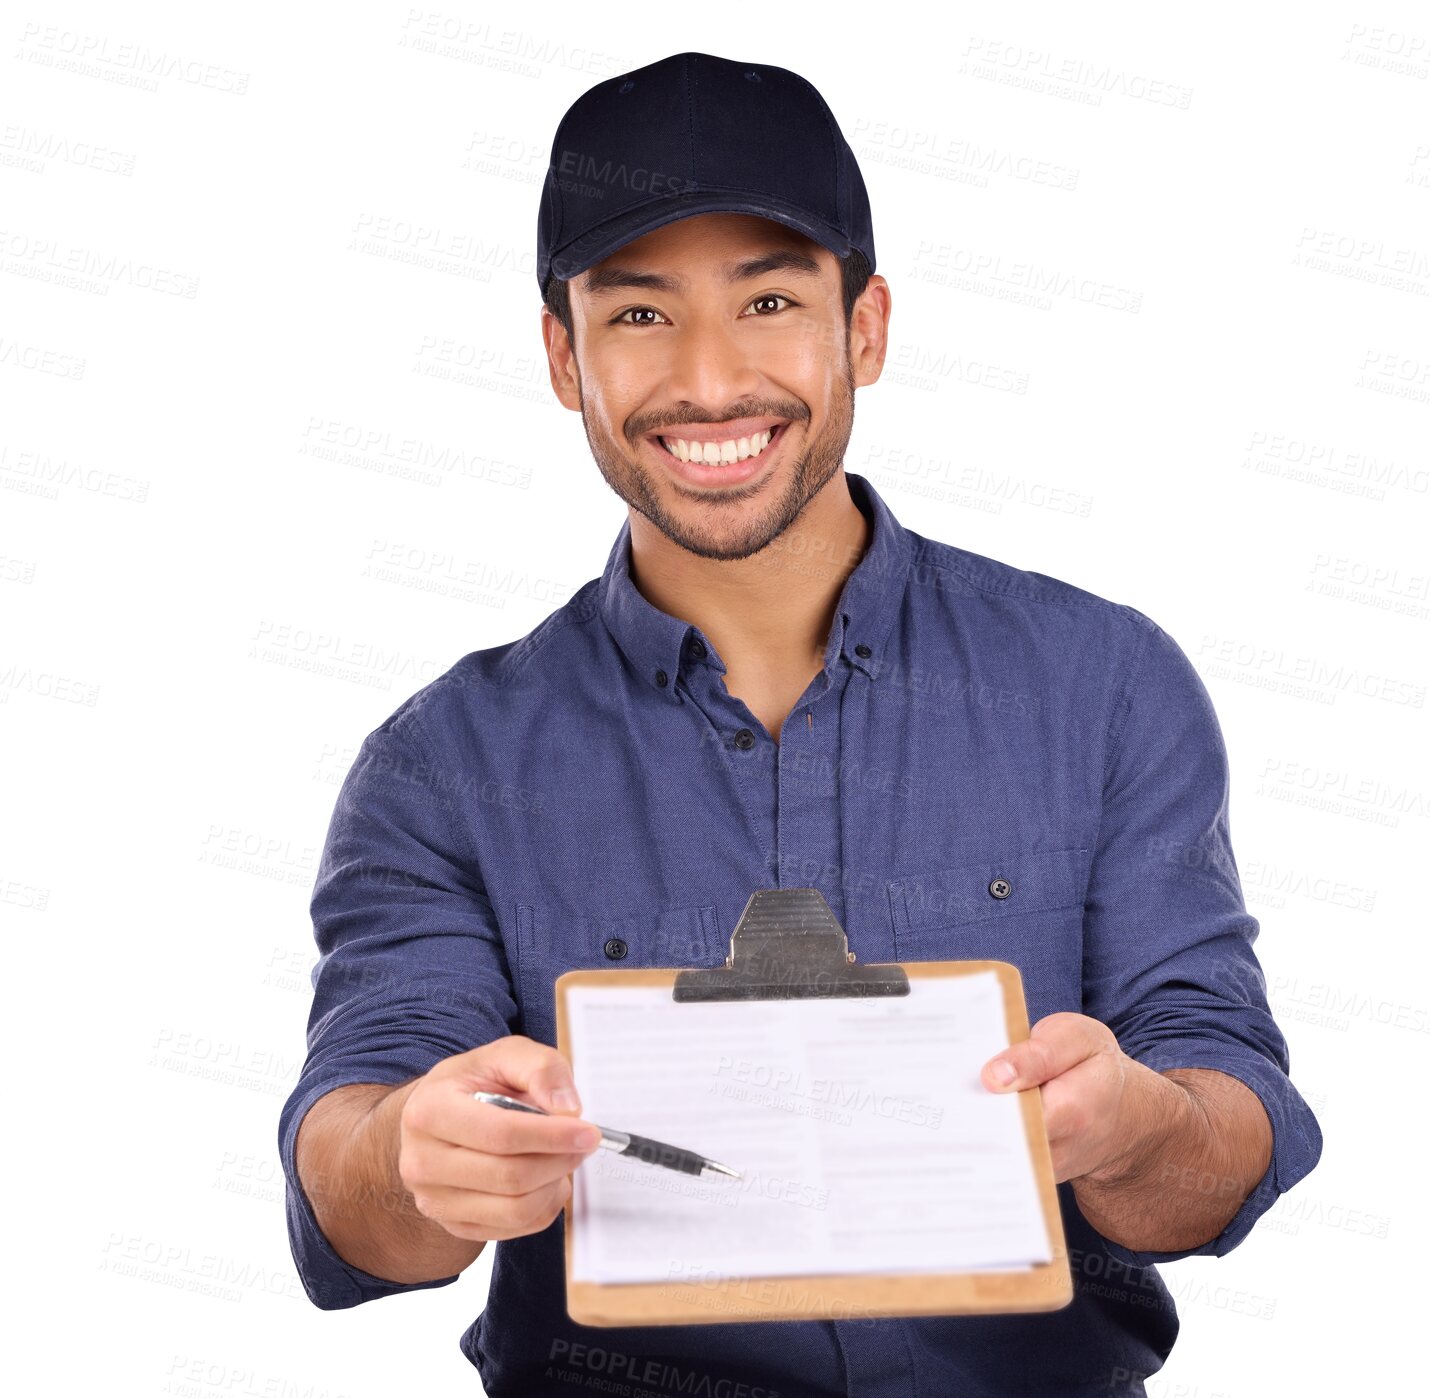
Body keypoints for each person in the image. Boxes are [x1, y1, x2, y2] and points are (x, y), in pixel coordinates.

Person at [279, 50, 1322, 1397]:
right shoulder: (440, 763)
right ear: (561, 352)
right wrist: (414, 1154)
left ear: (866, 327)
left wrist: (1132, 1128)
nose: (708, 382)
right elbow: (354, 1167)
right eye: (639, 314)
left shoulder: (1102, 684)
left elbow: (1222, 1121)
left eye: (768, 299)